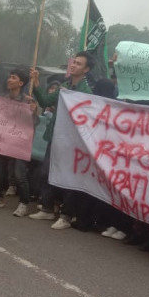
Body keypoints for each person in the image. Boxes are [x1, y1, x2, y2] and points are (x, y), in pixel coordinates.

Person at [28, 52, 93, 229]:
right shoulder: (64, 85)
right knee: (46, 172)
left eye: (79, 64)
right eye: (73, 62)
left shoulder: (86, 92)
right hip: (55, 137)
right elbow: (45, 100)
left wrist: (70, 96)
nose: (73, 66)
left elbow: (84, 117)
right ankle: (47, 208)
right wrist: (36, 83)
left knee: (69, 178)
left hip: (72, 142)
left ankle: (66, 215)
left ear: (86, 69)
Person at [0, 68, 38, 216]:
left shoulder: (28, 100)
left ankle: (24, 204)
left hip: (19, 143)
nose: (9, 79)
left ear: (21, 83)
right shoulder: (2, 98)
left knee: (19, 174)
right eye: (9, 77)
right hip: (3, 142)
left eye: (13, 78)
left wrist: (33, 112)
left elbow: (35, 123)